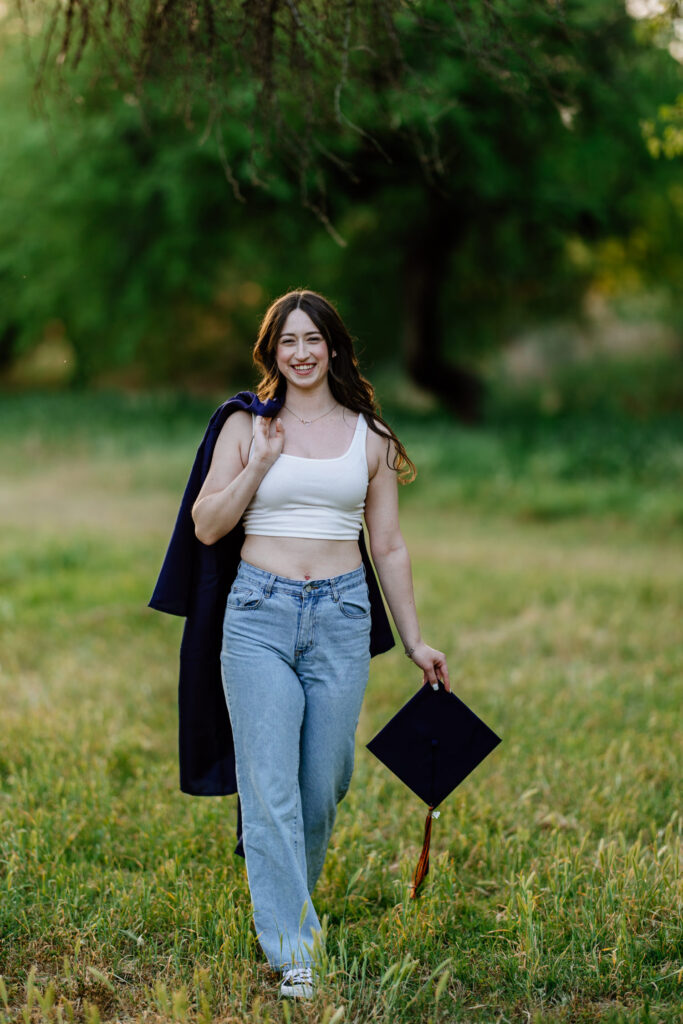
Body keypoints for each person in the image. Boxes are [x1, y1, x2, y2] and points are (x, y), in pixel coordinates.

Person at [190, 289, 450, 999]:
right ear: (271, 351)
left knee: (322, 784)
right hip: (257, 615)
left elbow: (388, 545)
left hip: (338, 615)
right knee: (269, 788)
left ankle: (279, 886)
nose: (300, 353)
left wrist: (414, 641)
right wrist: (256, 466)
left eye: (312, 339)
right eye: (287, 342)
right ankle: (293, 950)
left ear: (333, 346)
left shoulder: (370, 435)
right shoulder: (247, 425)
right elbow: (207, 526)